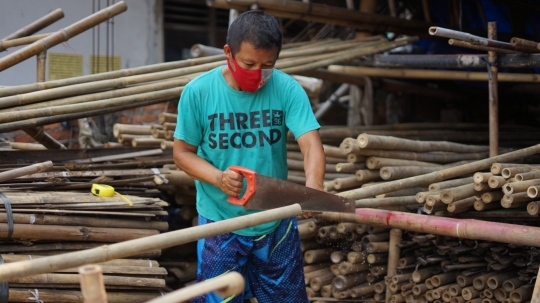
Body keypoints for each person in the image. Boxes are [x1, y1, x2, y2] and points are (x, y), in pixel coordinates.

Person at [173, 10, 325, 303]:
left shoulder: (287, 89)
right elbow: (181, 154)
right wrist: (217, 178)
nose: (258, 73)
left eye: (267, 65)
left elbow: (311, 143)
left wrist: (314, 183)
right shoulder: (198, 92)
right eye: (249, 64)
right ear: (228, 52)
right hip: (221, 223)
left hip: (274, 221)